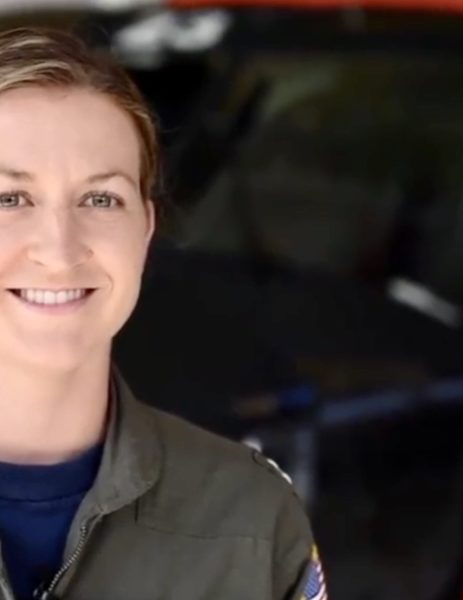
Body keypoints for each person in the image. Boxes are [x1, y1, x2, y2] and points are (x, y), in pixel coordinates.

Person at [0, 27, 327, 600]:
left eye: (101, 199)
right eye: (9, 199)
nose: (58, 249)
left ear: (145, 230)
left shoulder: (250, 517)